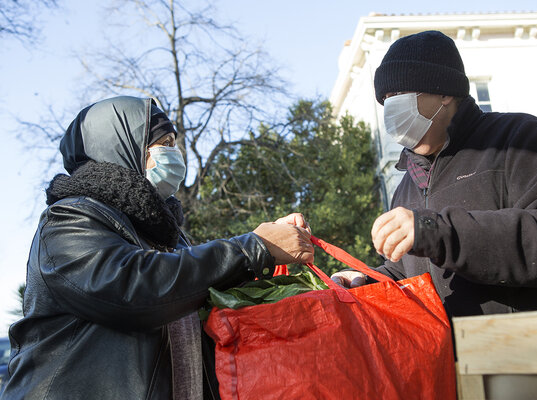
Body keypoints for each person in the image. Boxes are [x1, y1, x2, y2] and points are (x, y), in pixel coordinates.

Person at [331, 30, 537, 399]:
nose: (391, 109)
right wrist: (367, 281)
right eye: (386, 99)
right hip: (457, 368)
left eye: (401, 96)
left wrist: (434, 230)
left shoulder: (518, 137)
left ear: (445, 93)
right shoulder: (406, 186)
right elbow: (408, 269)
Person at [2, 96, 314, 400]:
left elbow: (205, 300)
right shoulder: (69, 220)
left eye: (174, 143)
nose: (175, 154)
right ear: (120, 148)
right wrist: (254, 247)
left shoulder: (165, 235)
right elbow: (134, 287)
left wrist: (311, 291)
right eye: (163, 144)